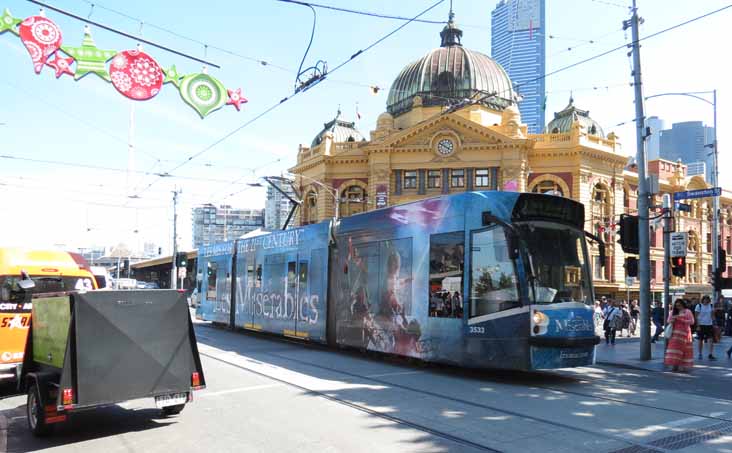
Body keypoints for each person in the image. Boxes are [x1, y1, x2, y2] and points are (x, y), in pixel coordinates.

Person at [664, 299, 695, 372]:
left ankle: (683, 366)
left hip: (685, 334)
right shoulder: (673, 312)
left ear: (683, 305)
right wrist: (673, 320)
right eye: (677, 306)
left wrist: (681, 320)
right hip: (675, 334)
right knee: (674, 350)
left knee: (684, 350)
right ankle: (674, 366)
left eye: (680, 305)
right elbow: (668, 320)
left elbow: (692, 322)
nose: (678, 307)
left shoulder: (687, 311)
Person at [695, 295, 716, 360]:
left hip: (709, 325)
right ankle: (700, 354)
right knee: (700, 340)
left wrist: (715, 323)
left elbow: (712, 315)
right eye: (705, 299)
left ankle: (710, 354)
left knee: (711, 340)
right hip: (701, 325)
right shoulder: (699, 306)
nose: (706, 300)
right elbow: (696, 316)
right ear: (703, 299)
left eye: (707, 299)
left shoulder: (711, 306)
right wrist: (698, 326)